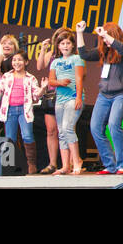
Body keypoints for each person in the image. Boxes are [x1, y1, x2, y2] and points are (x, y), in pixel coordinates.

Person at [79, 21, 123, 175]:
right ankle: (110, 165)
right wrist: (79, 33)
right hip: (104, 95)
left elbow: (122, 49)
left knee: (113, 124)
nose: (104, 40)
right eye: (103, 38)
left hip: (122, 93)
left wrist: (105, 34)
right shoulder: (103, 51)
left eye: (107, 37)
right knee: (95, 127)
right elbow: (84, 54)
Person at [0, 38, 43, 174]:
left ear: (26, 62)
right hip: (9, 110)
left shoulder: (31, 78)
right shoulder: (7, 77)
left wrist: (43, 89)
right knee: (10, 138)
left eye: (20, 60)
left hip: (24, 110)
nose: (16, 62)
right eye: (14, 60)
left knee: (27, 136)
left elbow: (36, 95)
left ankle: (31, 164)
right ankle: (9, 165)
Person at [47, 28, 85, 175]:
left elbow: (79, 78)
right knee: (61, 132)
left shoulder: (77, 59)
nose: (65, 46)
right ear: (58, 46)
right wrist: (59, 82)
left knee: (68, 128)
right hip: (60, 100)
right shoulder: (55, 62)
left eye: (68, 43)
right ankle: (65, 166)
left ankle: (76, 163)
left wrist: (78, 97)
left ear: (73, 45)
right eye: (62, 43)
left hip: (73, 97)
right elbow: (51, 81)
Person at [34, 37, 62, 174]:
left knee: (65, 130)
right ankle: (52, 163)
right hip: (51, 94)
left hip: (65, 94)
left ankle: (70, 162)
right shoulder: (51, 54)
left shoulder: (73, 55)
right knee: (51, 130)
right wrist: (44, 48)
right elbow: (40, 66)